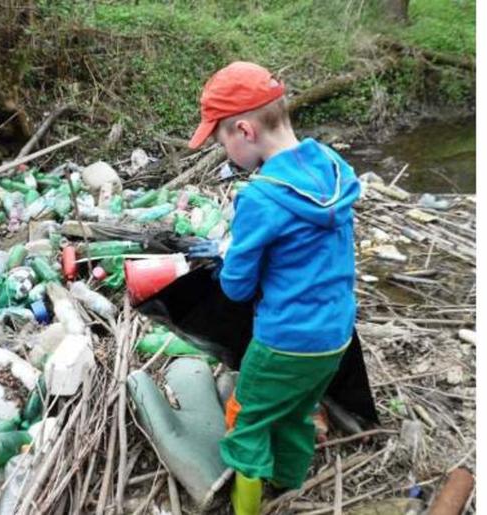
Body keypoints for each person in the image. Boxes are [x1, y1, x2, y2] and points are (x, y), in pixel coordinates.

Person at [187, 61, 361, 514]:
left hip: (286, 340)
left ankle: (247, 508)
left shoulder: (260, 197)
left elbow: (238, 288)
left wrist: (229, 255)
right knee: (297, 411)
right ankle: (288, 483)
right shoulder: (332, 168)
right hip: (335, 335)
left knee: (245, 422)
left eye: (221, 139)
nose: (224, 153)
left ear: (244, 130)